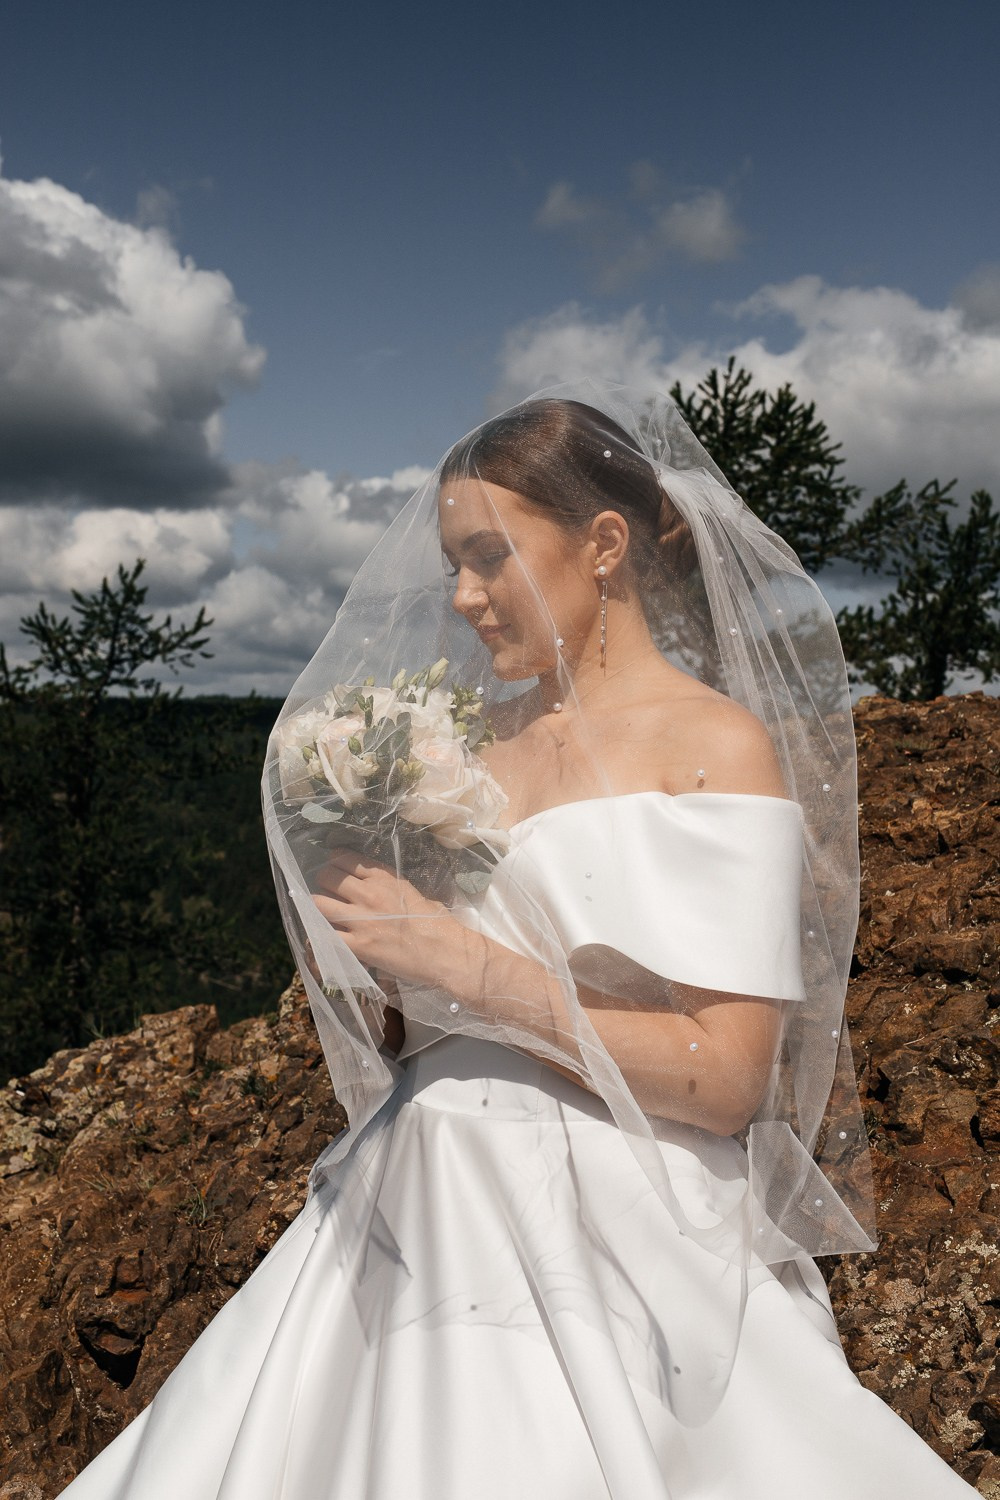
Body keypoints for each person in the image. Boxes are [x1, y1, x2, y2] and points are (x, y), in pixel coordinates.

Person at [58, 383, 977, 1497]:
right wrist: (380, 946)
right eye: (453, 562)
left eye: (489, 556)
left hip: (613, 1220)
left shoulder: (712, 745)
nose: (461, 596)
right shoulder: (464, 755)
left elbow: (730, 1079)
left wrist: (477, 974)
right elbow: (411, 1035)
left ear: (601, 545)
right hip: (413, 1186)